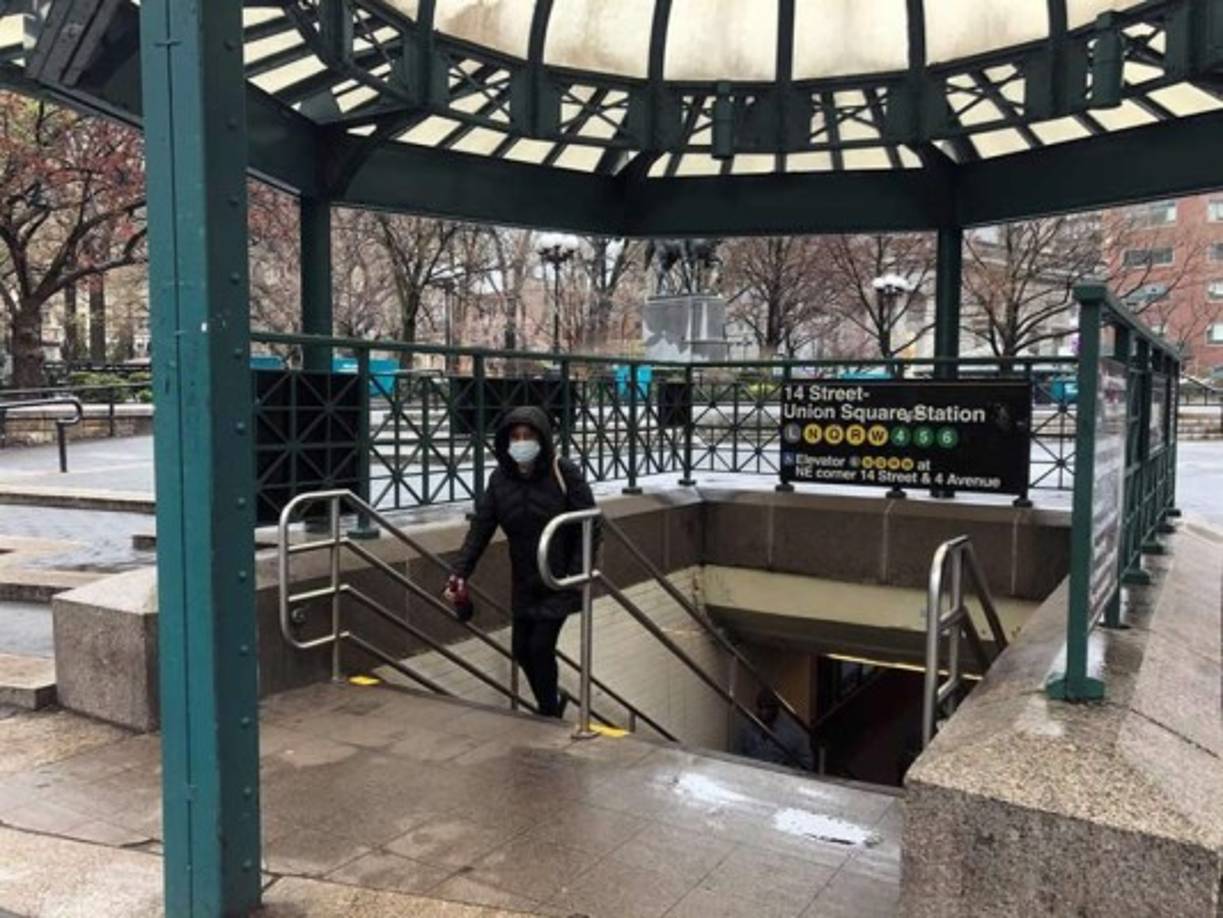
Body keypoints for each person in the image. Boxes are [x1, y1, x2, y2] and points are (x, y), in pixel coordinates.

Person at [445, 405, 599, 718]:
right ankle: (553, 703)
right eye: (514, 436)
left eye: (528, 435)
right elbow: (482, 526)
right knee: (522, 651)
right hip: (524, 582)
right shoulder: (500, 479)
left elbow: (591, 524)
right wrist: (460, 571)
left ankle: (549, 714)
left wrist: (574, 575)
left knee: (540, 647)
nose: (521, 442)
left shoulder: (563, 471)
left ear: (542, 438)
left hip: (559, 580)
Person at [736, 688, 814, 770]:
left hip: (780, 777)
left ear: (776, 708)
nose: (764, 711)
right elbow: (737, 754)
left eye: (768, 707)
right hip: (751, 775)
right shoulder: (748, 728)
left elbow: (807, 762)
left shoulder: (792, 732)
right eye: (760, 707)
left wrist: (788, 773)